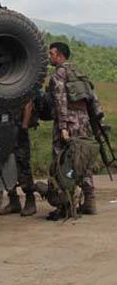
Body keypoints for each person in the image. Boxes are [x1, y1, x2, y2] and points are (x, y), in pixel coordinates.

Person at [37, 41, 103, 220]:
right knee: (82, 160)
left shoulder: (59, 74)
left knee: (63, 162)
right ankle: (90, 201)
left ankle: (64, 206)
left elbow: (60, 101)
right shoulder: (79, 71)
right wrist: (97, 122)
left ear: (59, 55)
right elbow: (93, 98)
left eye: (51, 53)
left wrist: (63, 127)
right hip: (84, 121)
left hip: (67, 122)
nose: (50, 56)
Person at [0, 101, 37, 216]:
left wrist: (24, 125)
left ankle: (30, 200)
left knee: (22, 163)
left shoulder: (20, 83)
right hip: (4, 126)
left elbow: (29, 103)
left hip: (19, 127)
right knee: (5, 164)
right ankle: (13, 201)